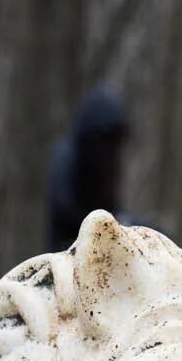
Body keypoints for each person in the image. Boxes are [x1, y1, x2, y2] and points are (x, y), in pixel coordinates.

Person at [47, 87, 130, 250]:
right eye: (108, 139)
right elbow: (67, 210)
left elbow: (111, 207)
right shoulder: (68, 157)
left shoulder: (109, 162)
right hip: (66, 251)